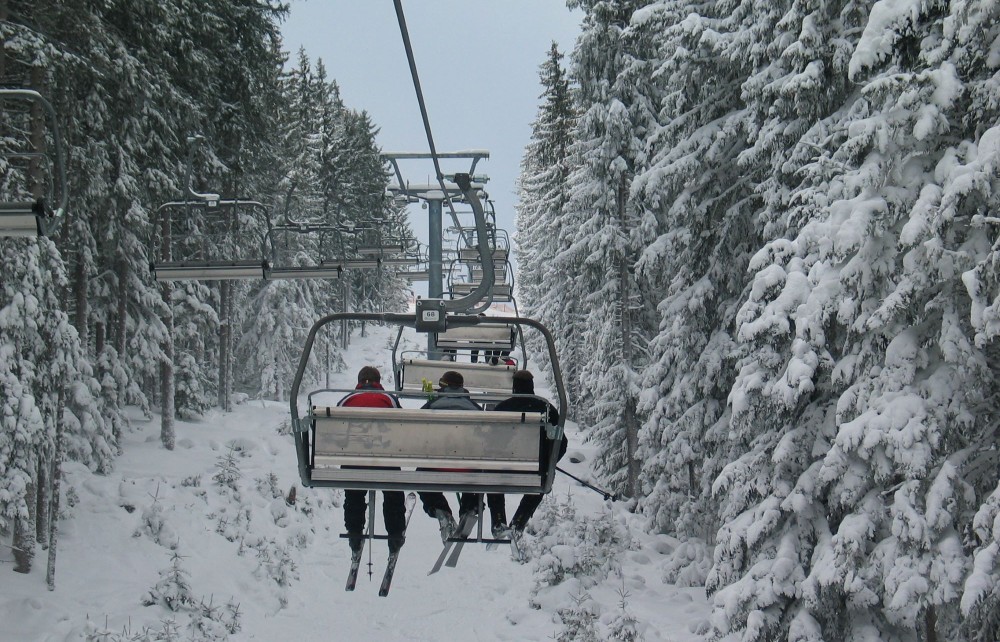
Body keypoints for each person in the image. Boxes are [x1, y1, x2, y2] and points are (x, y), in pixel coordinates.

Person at [416, 370, 505, 541]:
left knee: (420, 474)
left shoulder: (432, 405)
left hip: (436, 466)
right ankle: (469, 508)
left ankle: (441, 510)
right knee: (478, 473)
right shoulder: (474, 408)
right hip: (468, 467)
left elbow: (418, 434)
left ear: (443, 386)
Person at [338, 366, 406, 555]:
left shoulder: (347, 400)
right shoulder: (389, 399)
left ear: (359, 381)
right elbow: (403, 426)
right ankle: (395, 533)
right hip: (384, 460)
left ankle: (354, 533)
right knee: (393, 493)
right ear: (378, 381)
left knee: (354, 494)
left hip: (354, 461)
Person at [492, 370, 568, 535]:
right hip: (536, 471)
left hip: (503, 469)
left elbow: (489, 440)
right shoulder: (547, 409)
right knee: (542, 482)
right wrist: (549, 462)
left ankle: (498, 520)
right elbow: (562, 443)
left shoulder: (501, 408)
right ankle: (519, 521)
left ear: (514, 386)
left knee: (492, 478)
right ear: (531, 386)